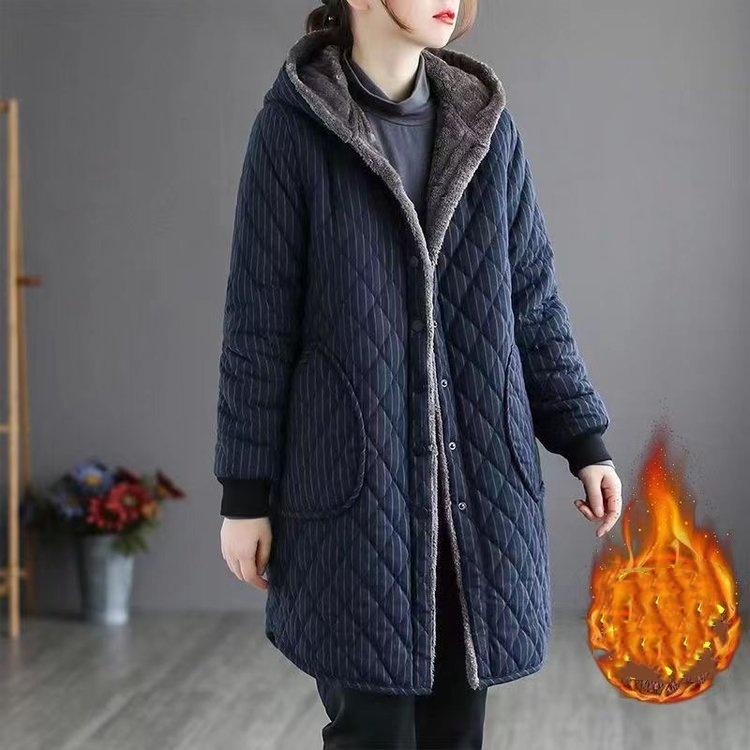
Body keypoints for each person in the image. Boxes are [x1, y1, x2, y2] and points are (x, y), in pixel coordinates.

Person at [215, 1, 623, 747]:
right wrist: (245, 494)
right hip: (356, 500)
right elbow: (258, 326)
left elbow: (532, 300)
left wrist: (583, 440)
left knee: (456, 733)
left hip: (476, 500)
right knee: (373, 734)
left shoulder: (486, 129)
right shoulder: (293, 130)